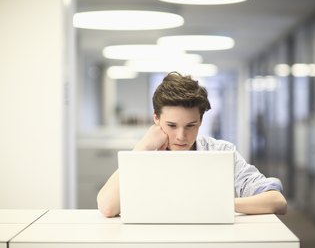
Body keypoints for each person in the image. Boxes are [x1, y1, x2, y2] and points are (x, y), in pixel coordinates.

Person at [97, 71, 287, 218]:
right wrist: (141, 149)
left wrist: (218, 204)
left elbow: (277, 201)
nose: (181, 136)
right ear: (156, 118)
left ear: (201, 121)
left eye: (191, 125)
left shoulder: (221, 152)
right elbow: (107, 207)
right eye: (171, 125)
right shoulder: (144, 154)